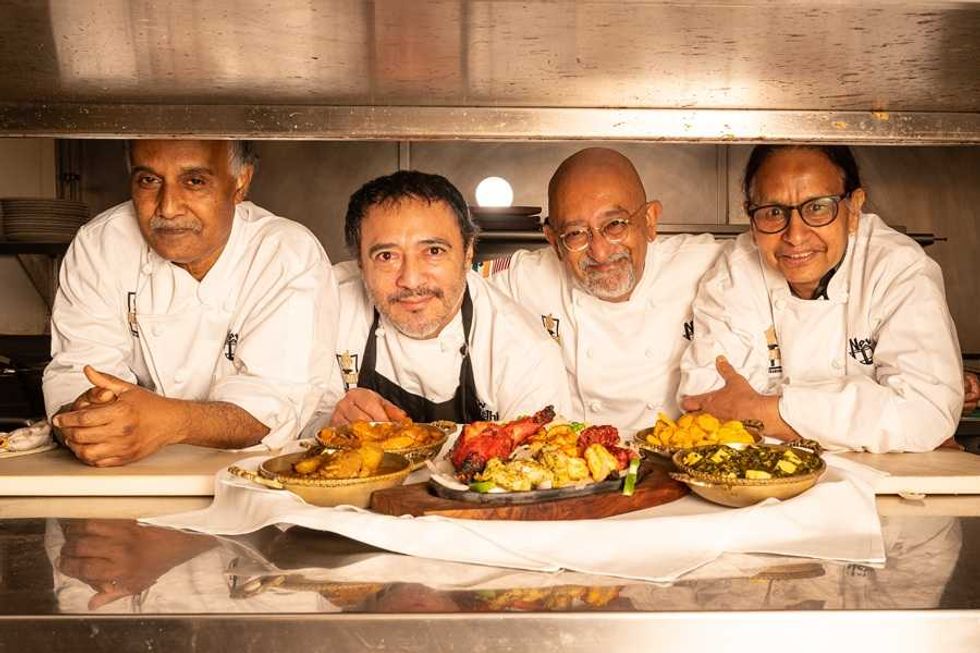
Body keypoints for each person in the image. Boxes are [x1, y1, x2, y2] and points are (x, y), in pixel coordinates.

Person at [43, 140, 337, 466]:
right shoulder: (100, 244)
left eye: (194, 182)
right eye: (148, 181)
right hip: (128, 475)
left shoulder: (284, 252)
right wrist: (87, 416)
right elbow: (77, 370)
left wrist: (170, 421)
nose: (168, 208)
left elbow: (271, 403)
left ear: (240, 183)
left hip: (252, 475)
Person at [679, 144, 964, 452]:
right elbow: (706, 402)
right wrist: (871, 419)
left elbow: (925, 413)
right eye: (774, 213)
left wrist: (765, 411)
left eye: (817, 207)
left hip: (886, 481)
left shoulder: (896, 268)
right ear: (751, 217)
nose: (795, 236)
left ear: (854, 209)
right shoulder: (735, 272)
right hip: (762, 483)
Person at [485, 147, 722, 432]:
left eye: (615, 225)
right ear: (553, 240)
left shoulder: (711, 262)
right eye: (575, 234)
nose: (599, 251)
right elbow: (452, 286)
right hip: (572, 465)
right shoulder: (522, 277)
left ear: (649, 220)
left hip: (675, 462)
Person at [321, 170, 570, 425]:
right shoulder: (327, 313)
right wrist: (329, 422)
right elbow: (290, 429)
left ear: (468, 252)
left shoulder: (524, 352)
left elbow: (541, 456)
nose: (411, 280)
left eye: (433, 251)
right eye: (387, 256)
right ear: (360, 263)